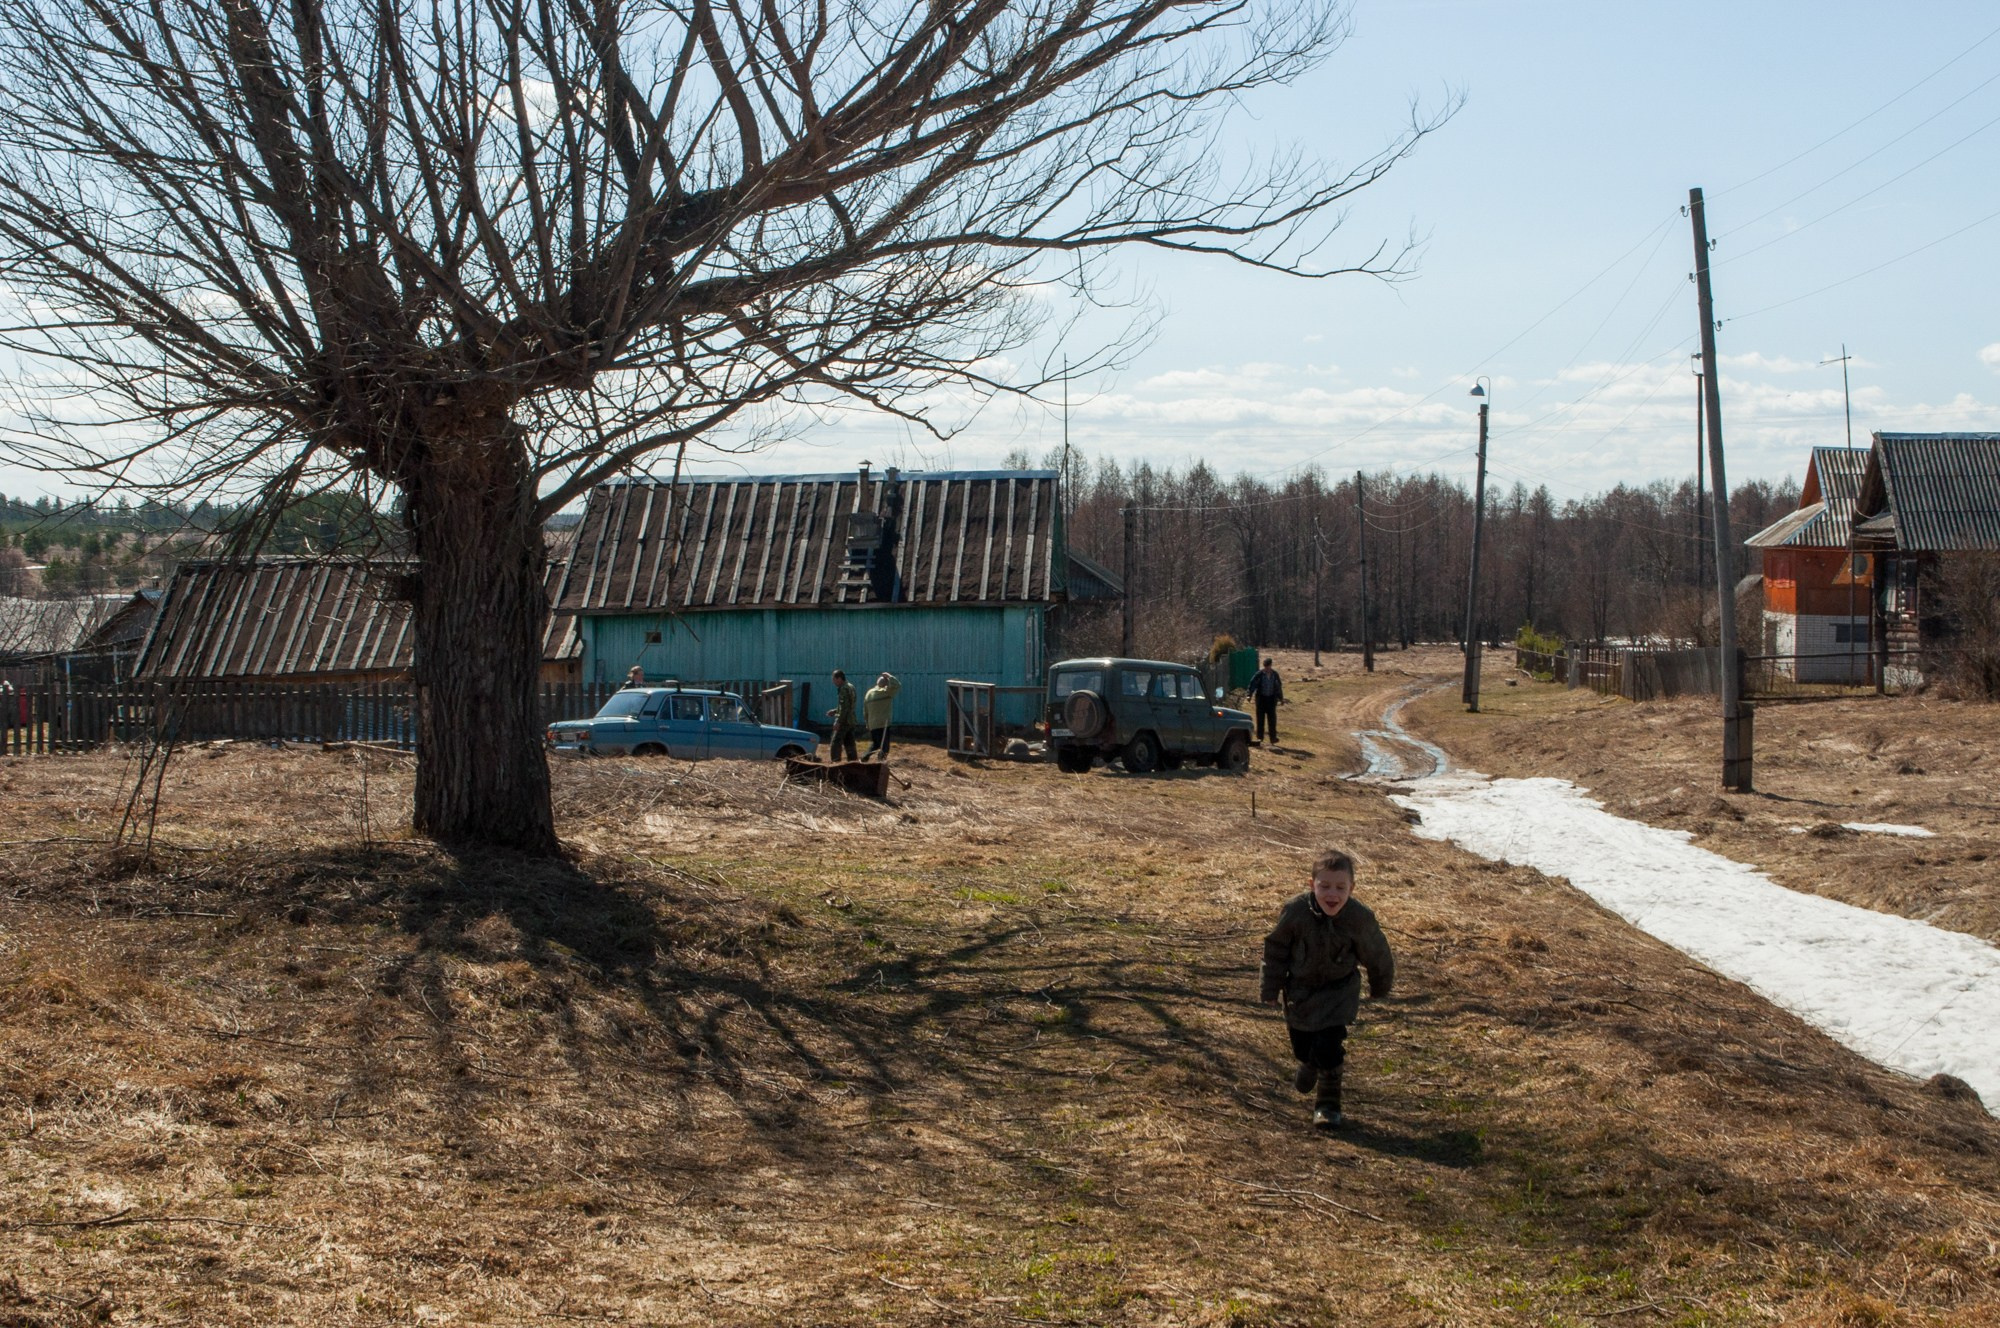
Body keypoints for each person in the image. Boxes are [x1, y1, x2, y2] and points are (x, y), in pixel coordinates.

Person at [1260, 848, 1394, 1130]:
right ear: (1312, 885)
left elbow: (1377, 953)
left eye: (1340, 888)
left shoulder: (1359, 918)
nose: (1332, 894)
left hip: (1339, 993)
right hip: (1300, 993)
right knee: (1303, 1046)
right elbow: (1276, 950)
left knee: (1330, 1046)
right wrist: (1270, 988)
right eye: (1325, 886)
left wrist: (1380, 986)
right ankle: (1309, 1063)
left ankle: (1328, 1105)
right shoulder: (1295, 911)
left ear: (1352, 888)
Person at [863, 671, 901, 760]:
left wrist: (867, 723)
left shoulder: (869, 693)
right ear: (886, 684)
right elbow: (897, 685)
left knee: (875, 744)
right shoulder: (886, 692)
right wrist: (889, 676)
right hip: (883, 724)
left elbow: (865, 710)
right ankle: (881, 763)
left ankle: (864, 758)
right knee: (884, 747)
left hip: (872, 724)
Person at [825, 668, 859, 762]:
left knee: (835, 743)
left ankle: (836, 764)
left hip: (844, 721)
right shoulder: (851, 686)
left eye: (834, 679)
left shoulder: (843, 689)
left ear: (839, 678)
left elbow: (844, 708)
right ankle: (853, 764)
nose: (833, 682)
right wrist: (835, 711)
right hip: (851, 720)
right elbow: (848, 705)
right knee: (850, 743)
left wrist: (838, 721)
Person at [1250, 656, 1284, 745]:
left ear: (1270, 666)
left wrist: (1281, 698)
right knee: (1260, 720)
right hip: (1261, 700)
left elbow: (1278, 687)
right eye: (1265, 667)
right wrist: (1249, 695)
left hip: (1271, 700)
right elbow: (1252, 684)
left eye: (1268, 667)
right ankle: (1260, 738)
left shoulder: (1275, 675)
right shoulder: (1259, 674)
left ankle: (1273, 738)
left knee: (1272, 720)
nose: (1266, 669)